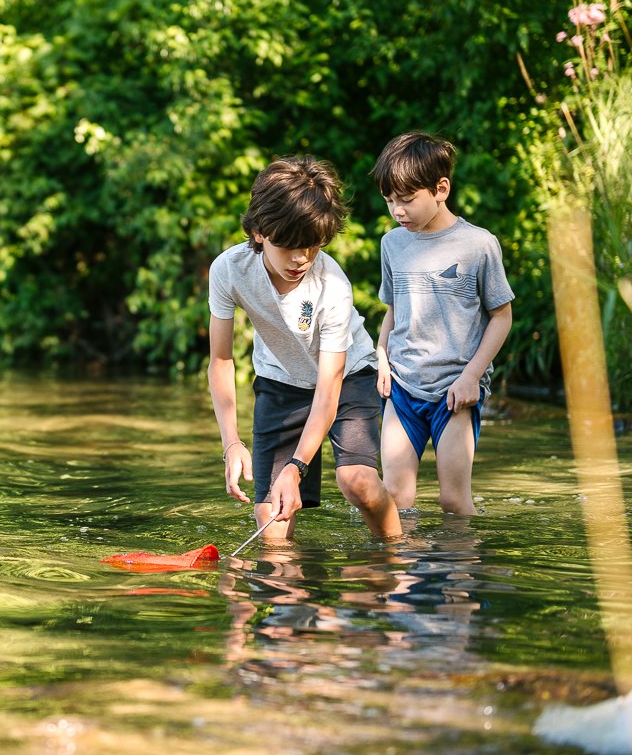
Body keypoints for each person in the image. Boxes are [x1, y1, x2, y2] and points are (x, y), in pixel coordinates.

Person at [208, 156, 402, 541]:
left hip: (346, 378)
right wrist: (231, 444)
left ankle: (395, 555)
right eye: (290, 246)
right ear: (260, 232)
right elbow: (221, 359)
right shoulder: (229, 270)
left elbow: (329, 389)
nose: (301, 259)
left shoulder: (332, 287)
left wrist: (296, 467)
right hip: (279, 382)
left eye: (312, 247)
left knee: (357, 482)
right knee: (272, 533)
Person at [370, 132, 514, 515]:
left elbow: (502, 316)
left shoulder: (478, 245)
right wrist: (381, 356)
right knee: (395, 499)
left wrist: (472, 376)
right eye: (389, 201)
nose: (397, 211)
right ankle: (402, 575)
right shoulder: (392, 244)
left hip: (455, 392)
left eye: (406, 200)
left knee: (453, 501)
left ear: (441, 189)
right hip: (401, 387)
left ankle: (459, 575)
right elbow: (394, 309)